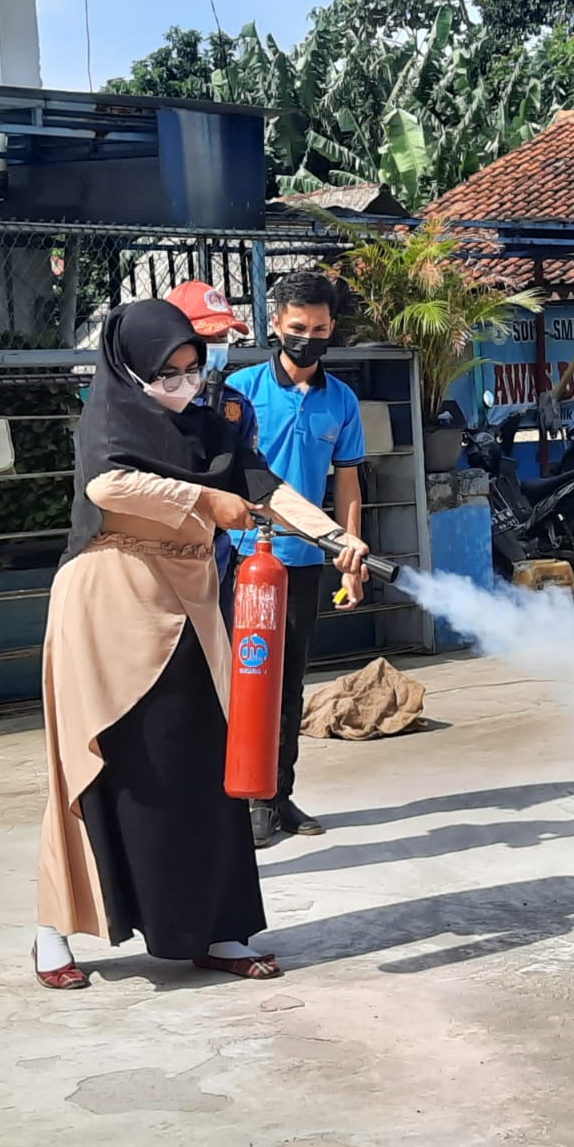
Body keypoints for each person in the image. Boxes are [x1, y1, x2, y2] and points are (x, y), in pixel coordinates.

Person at [32, 298, 369, 991]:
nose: (186, 383)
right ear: (131, 367)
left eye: (193, 367)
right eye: (171, 372)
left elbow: (261, 484)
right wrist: (202, 502)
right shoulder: (110, 413)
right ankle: (53, 931)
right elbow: (109, 482)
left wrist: (336, 538)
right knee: (100, 758)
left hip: (189, 596)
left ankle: (216, 927)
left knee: (207, 754)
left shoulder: (212, 417)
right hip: (110, 596)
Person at [227, 271, 367, 848]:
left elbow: (350, 483)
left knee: (288, 684)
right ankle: (240, 796)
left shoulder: (343, 401)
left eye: (319, 328)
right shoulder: (240, 391)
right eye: (297, 328)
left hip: (305, 563)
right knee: (242, 679)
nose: (308, 338)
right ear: (276, 326)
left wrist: (350, 555)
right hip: (238, 560)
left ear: (332, 329)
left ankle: (276, 793)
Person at [164, 280, 257, 620]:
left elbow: (253, 476)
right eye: (206, 339)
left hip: (214, 551)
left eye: (222, 339)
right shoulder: (144, 405)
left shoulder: (235, 406)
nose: (215, 348)